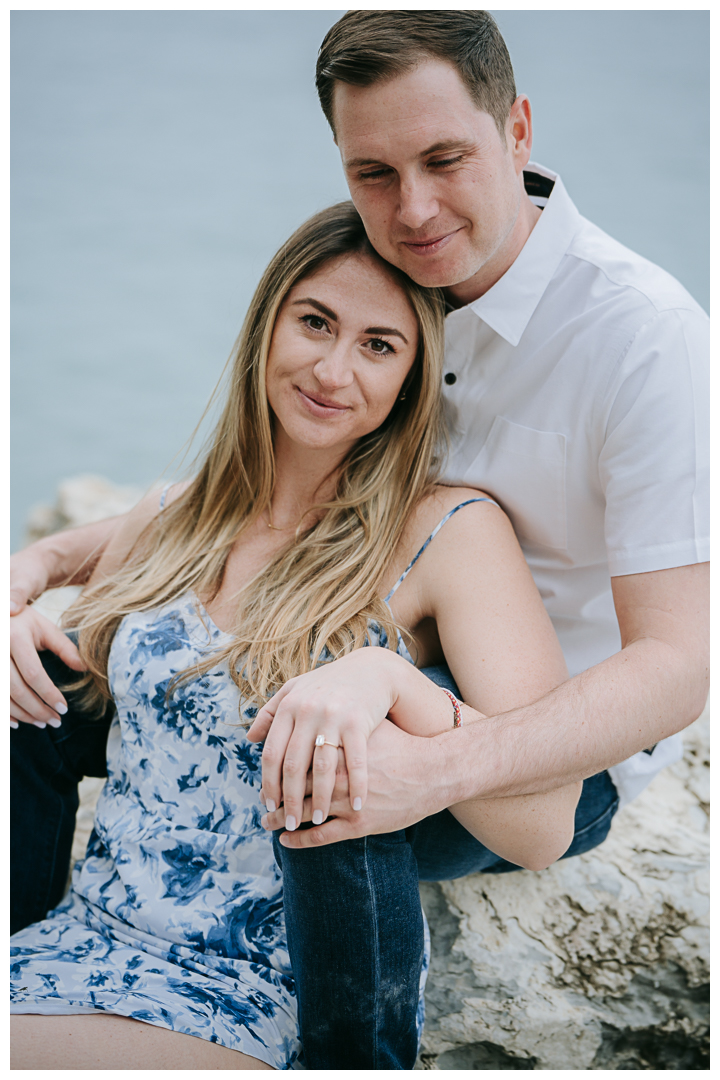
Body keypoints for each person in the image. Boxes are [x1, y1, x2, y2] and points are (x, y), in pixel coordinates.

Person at [10, 10, 708, 1071]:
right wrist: (44, 565)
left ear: (518, 129)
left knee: (343, 767)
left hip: (550, 738)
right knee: (60, 701)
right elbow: (266, 486)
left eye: (445, 159)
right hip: (354, 659)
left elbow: (674, 665)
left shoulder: (643, 340)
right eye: (373, 171)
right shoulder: (415, 272)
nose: (413, 208)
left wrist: (419, 735)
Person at [11, 201, 584, 1069]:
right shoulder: (174, 516)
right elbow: (71, 709)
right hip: (64, 948)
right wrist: (19, 625)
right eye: (314, 322)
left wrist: (397, 686)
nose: (331, 368)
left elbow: (543, 823)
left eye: (379, 345)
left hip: (250, 993)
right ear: (266, 325)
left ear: (412, 379)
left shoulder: (450, 532)